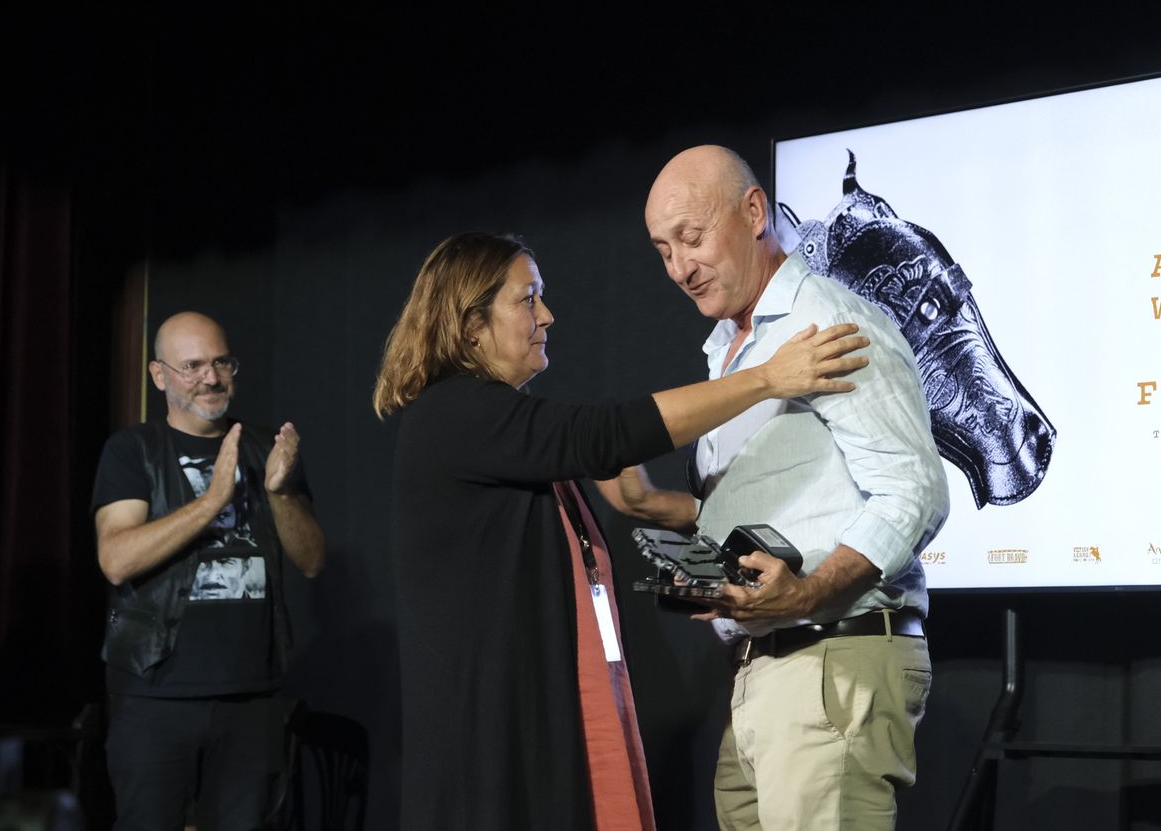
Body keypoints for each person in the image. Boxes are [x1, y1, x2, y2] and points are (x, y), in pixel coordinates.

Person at [373, 232, 870, 831]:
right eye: (528, 299)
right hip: (491, 742)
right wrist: (766, 379)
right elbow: (604, 436)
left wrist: (659, 510)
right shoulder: (455, 413)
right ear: (472, 325)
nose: (546, 315)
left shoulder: (498, 434)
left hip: (535, 717)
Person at [601, 145, 951, 830]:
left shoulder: (824, 323)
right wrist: (665, 508)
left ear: (754, 211)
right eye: (663, 250)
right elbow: (795, 496)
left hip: (830, 658)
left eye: (692, 238)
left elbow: (915, 488)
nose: (679, 268)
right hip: (765, 668)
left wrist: (809, 592)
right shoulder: (731, 347)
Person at [92, 311, 325, 830]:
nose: (211, 378)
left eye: (221, 363)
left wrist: (279, 492)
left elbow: (311, 560)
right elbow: (116, 560)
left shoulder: (266, 449)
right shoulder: (134, 451)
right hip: (155, 694)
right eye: (193, 366)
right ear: (159, 375)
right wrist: (213, 500)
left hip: (252, 695)